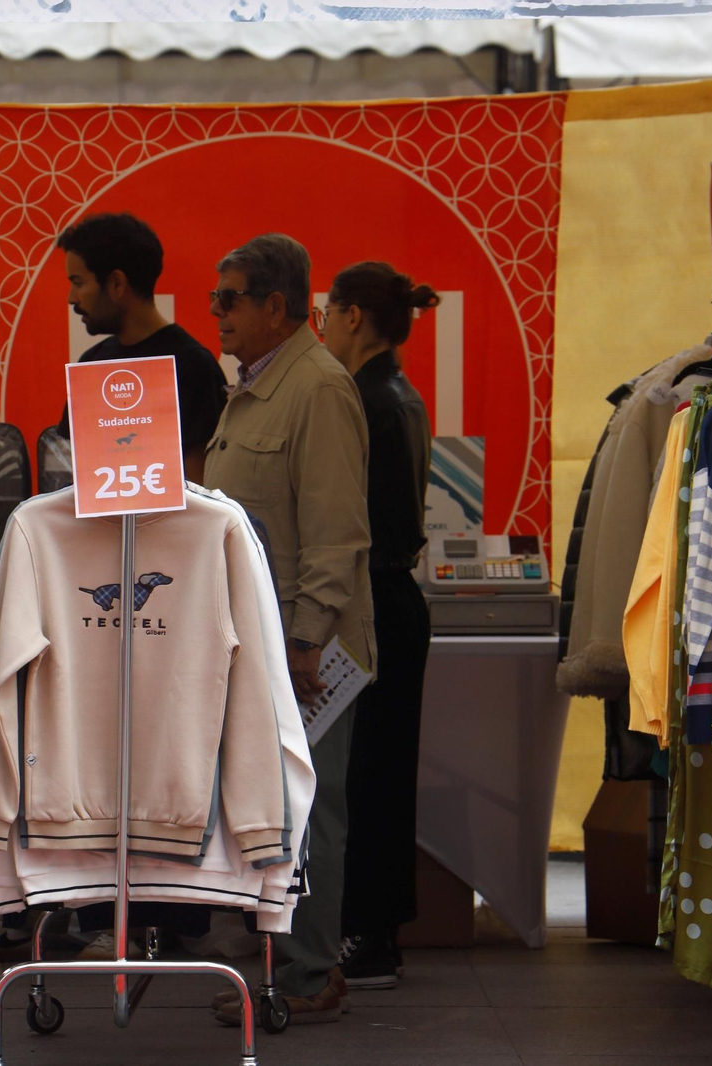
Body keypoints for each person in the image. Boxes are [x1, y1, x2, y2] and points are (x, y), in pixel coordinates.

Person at [202, 234, 374, 1025]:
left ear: (277, 305)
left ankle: (310, 976)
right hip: (263, 646)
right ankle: (284, 969)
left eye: (230, 298)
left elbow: (337, 534)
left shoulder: (319, 388)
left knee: (309, 811)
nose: (216, 313)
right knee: (274, 810)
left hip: (308, 650)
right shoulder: (262, 386)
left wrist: (306, 641)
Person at [317, 262, 437, 991]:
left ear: (353, 316)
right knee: (372, 771)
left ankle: (372, 934)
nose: (321, 327)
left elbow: (356, 525)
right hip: (388, 599)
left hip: (378, 600)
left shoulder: (370, 401)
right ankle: (369, 927)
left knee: (371, 776)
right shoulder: (389, 393)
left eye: (325, 313)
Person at [54, 212, 229, 483]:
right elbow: (75, 478)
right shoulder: (91, 363)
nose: (71, 298)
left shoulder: (193, 368)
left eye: (78, 283)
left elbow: (201, 492)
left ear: (116, 284)